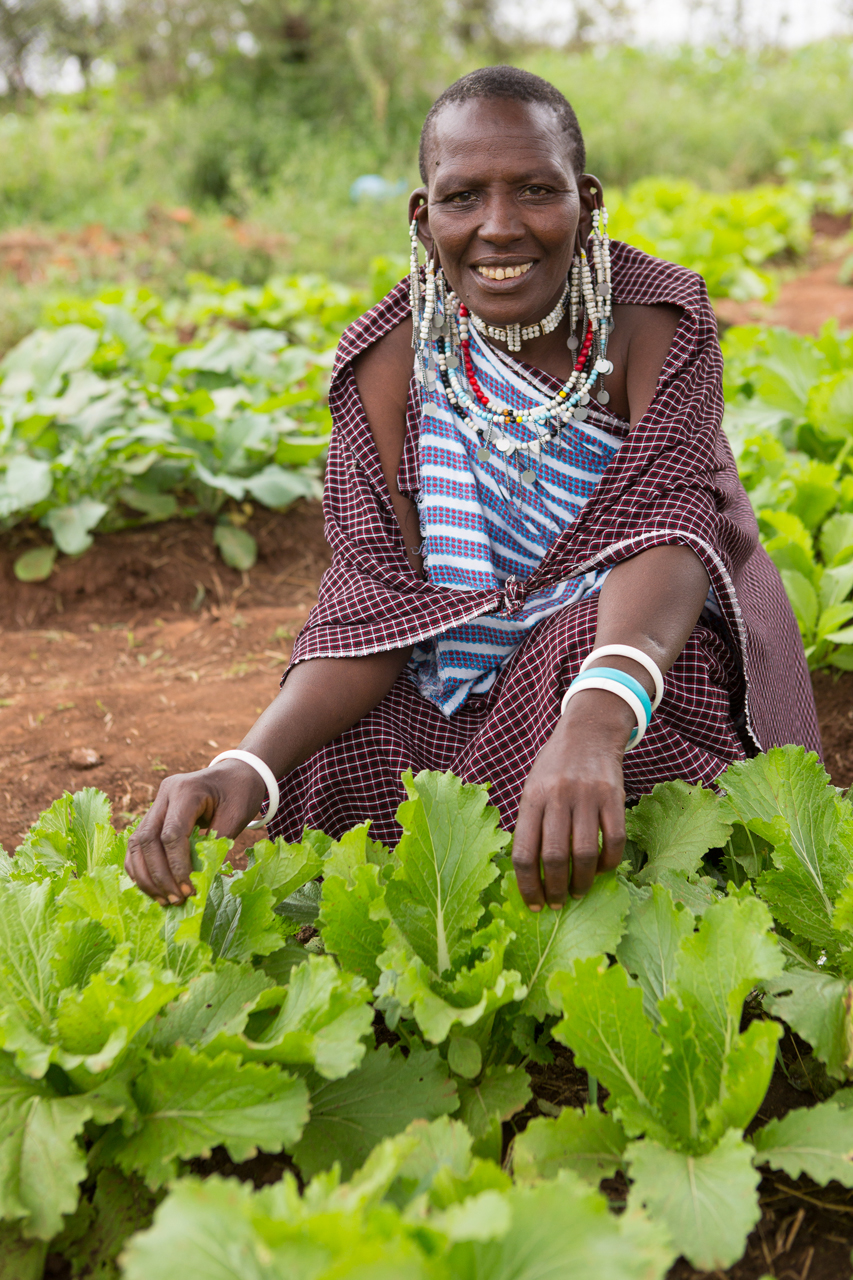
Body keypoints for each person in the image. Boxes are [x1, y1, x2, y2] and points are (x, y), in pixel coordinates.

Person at [126, 66, 819, 915]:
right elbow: (374, 603)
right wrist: (248, 765)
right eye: (462, 198)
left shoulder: (653, 322)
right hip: (455, 684)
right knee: (331, 757)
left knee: (592, 671)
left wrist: (593, 728)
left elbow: (667, 524)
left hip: (623, 661)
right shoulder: (384, 364)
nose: (499, 228)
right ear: (423, 217)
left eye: (534, 190)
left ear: (586, 202)